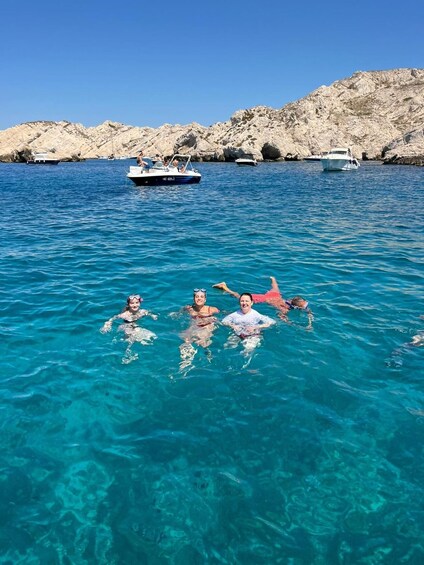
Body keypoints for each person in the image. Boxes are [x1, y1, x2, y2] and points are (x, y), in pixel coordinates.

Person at [213, 276, 313, 329]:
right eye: (302, 307)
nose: (305, 308)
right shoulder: (284, 308)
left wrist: (309, 314)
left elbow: (307, 309)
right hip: (265, 299)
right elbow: (281, 316)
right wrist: (288, 322)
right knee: (240, 298)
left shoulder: (282, 297)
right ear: (295, 306)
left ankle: (272, 278)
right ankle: (225, 287)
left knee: (275, 287)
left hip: (274, 296)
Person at [100, 294, 158, 363]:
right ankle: (127, 354)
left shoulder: (142, 312)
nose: (135, 305)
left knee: (151, 337)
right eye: (132, 303)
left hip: (135, 326)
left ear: (140, 303)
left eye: (137, 303)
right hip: (126, 326)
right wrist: (107, 325)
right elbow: (113, 318)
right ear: (128, 304)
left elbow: (148, 313)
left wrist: (153, 315)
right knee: (130, 340)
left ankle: (131, 352)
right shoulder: (125, 314)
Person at [179, 288, 220, 365]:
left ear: (205, 299)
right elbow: (180, 311)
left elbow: (221, 317)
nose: (199, 298)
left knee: (202, 341)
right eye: (197, 297)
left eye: (201, 297)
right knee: (185, 340)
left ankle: (208, 356)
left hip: (205, 328)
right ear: (194, 299)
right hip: (193, 327)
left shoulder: (212, 309)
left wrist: (211, 319)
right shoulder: (190, 309)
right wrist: (182, 310)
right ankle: (185, 361)